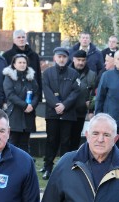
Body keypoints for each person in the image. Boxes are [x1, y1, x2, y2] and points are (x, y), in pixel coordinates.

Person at [41, 47, 80, 179]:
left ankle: (65, 168)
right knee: (51, 140)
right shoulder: (47, 73)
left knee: (65, 142)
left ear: (67, 58)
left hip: (68, 114)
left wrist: (64, 105)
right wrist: (56, 105)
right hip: (52, 113)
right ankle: (48, 167)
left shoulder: (74, 74)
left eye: (64, 57)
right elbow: (46, 91)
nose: (61, 59)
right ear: (54, 58)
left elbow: (75, 92)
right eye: (59, 56)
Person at [2, 54, 41, 154]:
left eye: (24, 62)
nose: (22, 64)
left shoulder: (31, 78)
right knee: (13, 142)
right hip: (15, 114)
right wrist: (25, 105)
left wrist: (32, 105)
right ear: (14, 64)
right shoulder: (9, 77)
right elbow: (10, 94)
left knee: (25, 143)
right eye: (20, 62)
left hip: (28, 114)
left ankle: (25, 165)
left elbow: (37, 93)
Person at [68, 49, 96, 152]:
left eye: (83, 60)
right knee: (65, 138)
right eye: (78, 60)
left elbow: (94, 93)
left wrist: (91, 107)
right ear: (73, 59)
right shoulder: (67, 71)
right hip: (67, 110)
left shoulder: (92, 74)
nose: (81, 62)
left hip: (81, 111)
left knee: (76, 137)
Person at [1, 30, 43, 98]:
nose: (21, 39)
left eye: (23, 37)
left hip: (31, 97)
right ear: (14, 40)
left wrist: (39, 97)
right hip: (13, 97)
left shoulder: (34, 56)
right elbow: (3, 79)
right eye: (19, 37)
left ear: (26, 39)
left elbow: (38, 76)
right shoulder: (6, 56)